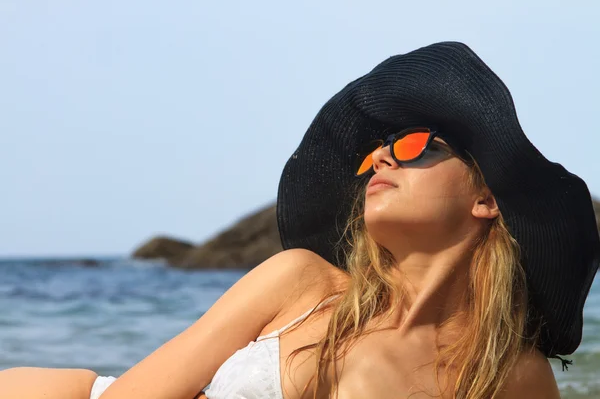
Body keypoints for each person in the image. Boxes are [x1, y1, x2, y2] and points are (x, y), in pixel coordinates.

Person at [0, 41, 598, 399]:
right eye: (373, 152)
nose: (382, 157)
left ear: (486, 199)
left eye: (416, 144)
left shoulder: (511, 374)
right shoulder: (302, 283)